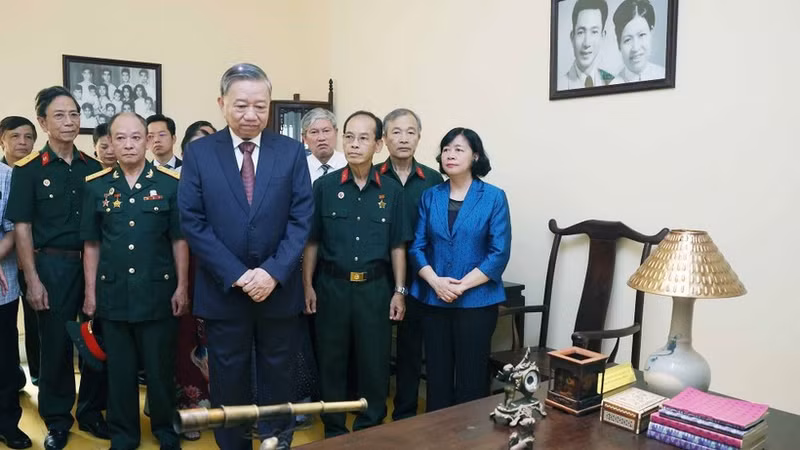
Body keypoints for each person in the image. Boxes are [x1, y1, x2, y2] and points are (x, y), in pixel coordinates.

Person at [178, 63, 313, 450]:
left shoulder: (290, 152)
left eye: (260, 106)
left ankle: (276, 439)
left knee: (279, 374)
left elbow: (301, 219)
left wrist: (272, 272)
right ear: (222, 103)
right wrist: (238, 274)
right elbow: (193, 221)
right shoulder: (200, 153)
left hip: (278, 290)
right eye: (241, 105)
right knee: (228, 377)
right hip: (224, 290)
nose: (251, 114)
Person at [6, 86, 108, 450]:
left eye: (74, 114)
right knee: (56, 345)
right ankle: (58, 419)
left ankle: (92, 411)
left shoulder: (94, 169)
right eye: (60, 115)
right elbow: (22, 227)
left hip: (94, 264)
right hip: (52, 266)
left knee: (97, 340)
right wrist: (32, 278)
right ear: (43, 122)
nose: (69, 121)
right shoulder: (29, 170)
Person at [81, 112, 187, 450]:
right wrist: (90, 293)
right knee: (120, 371)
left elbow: (179, 240)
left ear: (147, 141)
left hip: (157, 292)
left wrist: (182, 286)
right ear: (110, 143)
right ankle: (124, 435)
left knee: (160, 370)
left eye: (136, 137)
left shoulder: (170, 184)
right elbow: (92, 244)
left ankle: (166, 431)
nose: (128, 144)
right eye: (120, 138)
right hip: (113, 293)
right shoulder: (96, 186)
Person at [302, 110, 409, 437]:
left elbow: (397, 246)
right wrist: (307, 285)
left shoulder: (392, 191)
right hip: (331, 288)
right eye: (349, 137)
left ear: (378, 145)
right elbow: (312, 241)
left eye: (363, 138)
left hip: (375, 290)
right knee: (331, 361)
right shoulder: (324, 187)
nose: (354, 144)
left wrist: (399, 291)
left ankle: (370, 426)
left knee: (374, 362)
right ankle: (333, 429)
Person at [409, 127, 511, 412]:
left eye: (458, 149)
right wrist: (436, 282)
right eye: (446, 149)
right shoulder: (431, 196)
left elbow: (499, 253)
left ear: (475, 156)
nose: (450, 155)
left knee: (472, 377)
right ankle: (438, 432)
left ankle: (472, 433)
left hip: (477, 302)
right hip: (434, 300)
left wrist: (461, 285)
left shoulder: (493, 197)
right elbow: (417, 247)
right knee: (437, 377)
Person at [376, 108, 444, 421]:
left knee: (411, 348)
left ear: (419, 137)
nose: (403, 138)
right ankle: (372, 412)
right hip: (377, 275)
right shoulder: (373, 176)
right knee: (374, 349)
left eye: (410, 132)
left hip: (420, 276)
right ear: (384, 138)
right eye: (396, 132)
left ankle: (405, 414)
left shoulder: (432, 179)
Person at [174, 120, 216, 442]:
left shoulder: (230, 183)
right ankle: (189, 407)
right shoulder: (171, 182)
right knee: (184, 339)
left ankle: (219, 407)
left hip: (218, 270)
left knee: (218, 339)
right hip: (183, 270)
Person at [0, 116, 39, 390]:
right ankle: (14, 376)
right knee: (7, 327)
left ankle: (37, 373)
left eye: (28, 137)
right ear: (2, 140)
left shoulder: (39, 171)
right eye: (15, 136)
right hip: (8, 264)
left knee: (36, 322)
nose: (22, 142)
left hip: (37, 260)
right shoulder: (4, 175)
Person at [0, 158, 30, 449]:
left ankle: (7, 424)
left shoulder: (8, 175)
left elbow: (13, 228)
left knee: (5, 358)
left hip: (2, 286)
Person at [557, 0, 614, 89]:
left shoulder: (612, 82)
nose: (587, 43)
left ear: (602, 36)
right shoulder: (560, 86)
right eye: (581, 32)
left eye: (594, 32)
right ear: (572, 37)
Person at [611, 0, 665, 83]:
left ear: (651, 32)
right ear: (619, 44)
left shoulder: (663, 74)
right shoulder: (613, 85)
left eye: (641, 35)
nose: (635, 48)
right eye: (627, 40)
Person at [302, 108, 346, 184]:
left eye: (326, 131)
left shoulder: (349, 164)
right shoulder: (300, 169)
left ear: (336, 133)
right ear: (304, 138)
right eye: (314, 132)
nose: (321, 138)